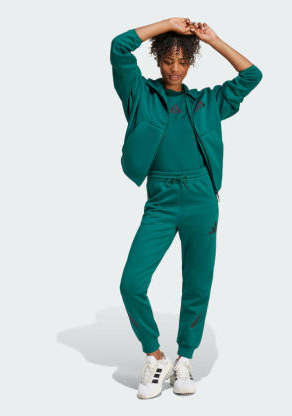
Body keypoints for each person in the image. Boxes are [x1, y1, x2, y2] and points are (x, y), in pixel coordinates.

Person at [110, 17, 263, 399]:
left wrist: (212, 39)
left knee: (197, 283)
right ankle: (155, 356)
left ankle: (185, 360)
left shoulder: (207, 102)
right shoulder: (140, 95)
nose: (174, 69)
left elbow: (252, 75)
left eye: (182, 61)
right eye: (168, 60)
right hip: (160, 201)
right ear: (158, 60)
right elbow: (118, 46)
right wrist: (167, 24)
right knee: (131, 283)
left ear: (190, 62)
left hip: (201, 199)